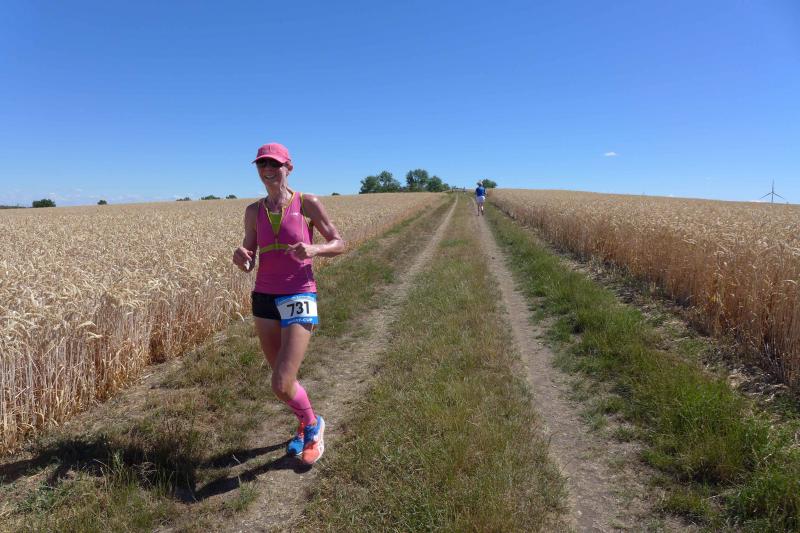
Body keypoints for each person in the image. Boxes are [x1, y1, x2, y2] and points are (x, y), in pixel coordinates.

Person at [232, 142, 345, 465]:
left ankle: (313, 428)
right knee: (285, 381)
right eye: (262, 165)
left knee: (281, 383)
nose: (268, 170)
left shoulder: (307, 203)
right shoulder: (253, 211)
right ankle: (305, 422)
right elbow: (249, 259)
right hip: (263, 297)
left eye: (274, 164)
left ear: (289, 168)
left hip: (299, 293)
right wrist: (241, 258)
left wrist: (315, 250)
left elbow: (339, 242)